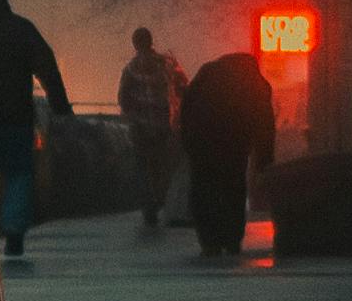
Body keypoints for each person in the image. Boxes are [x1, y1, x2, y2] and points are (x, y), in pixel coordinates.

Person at [0, 0, 72, 263]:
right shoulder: (21, 29)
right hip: (15, 117)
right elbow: (47, 67)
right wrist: (60, 105)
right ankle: (14, 230)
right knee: (18, 174)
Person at [175, 36, 282, 266]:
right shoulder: (255, 84)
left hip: (201, 144)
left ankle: (209, 241)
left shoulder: (207, 74)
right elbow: (265, 125)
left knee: (204, 191)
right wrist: (264, 161)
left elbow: (186, 108)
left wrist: (186, 143)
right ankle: (231, 239)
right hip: (234, 147)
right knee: (232, 190)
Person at [115, 25, 180, 233]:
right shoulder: (166, 64)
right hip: (163, 125)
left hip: (140, 127)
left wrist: (132, 116)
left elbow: (123, 98)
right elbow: (181, 86)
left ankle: (148, 208)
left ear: (135, 44)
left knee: (142, 168)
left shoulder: (131, 69)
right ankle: (161, 197)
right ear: (151, 41)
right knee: (163, 166)